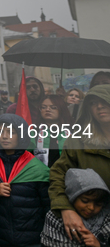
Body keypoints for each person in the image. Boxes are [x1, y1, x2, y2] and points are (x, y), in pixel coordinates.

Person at [0, 113, 50, 247]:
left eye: (11, 132)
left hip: (32, 238)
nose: (5, 136)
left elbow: (48, 204)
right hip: (0, 238)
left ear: (22, 136)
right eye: (0, 131)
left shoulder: (35, 167)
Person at [49, 84, 110, 243]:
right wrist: (65, 208)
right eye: (93, 103)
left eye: (104, 100)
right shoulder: (78, 140)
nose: (99, 106)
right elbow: (58, 174)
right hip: (91, 222)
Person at [42, 168, 110, 247]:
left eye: (98, 204)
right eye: (85, 201)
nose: (91, 207)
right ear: (72, 197)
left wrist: (99, 245)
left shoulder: (106, 218)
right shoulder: (55, 218)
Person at [33, 94, 74, 168]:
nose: (47, 109)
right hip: (41, 175)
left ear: (61, 109)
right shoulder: (34, 132)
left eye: (53, 107)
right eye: (43, 107)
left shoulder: (72, 131)